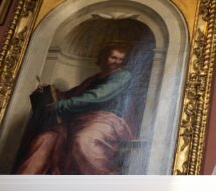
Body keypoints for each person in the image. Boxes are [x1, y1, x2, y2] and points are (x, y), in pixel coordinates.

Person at [16, 43, 134, 175]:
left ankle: (103, 186)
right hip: (76, 120)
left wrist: (61, 105)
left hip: (105, 120)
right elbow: (72, 96)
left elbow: (96, 96)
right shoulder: (93, 79)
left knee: (84, 141)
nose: (116, 62)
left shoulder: (123, 76)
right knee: (45, 139)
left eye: (120, 59)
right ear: (103, 57)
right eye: (113, 57)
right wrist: (48, 92)